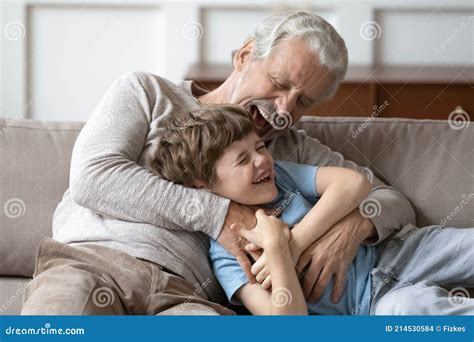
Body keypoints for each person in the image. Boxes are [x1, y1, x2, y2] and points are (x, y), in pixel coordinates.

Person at [22, 11, 415, 315]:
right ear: (245, 56)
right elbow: (95, 177)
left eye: (303, 102)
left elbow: (391, 200)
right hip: (90, 263)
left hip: (185, 297)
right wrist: (219, 213)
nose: (283, 109)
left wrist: (348, 231)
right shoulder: (147, 92)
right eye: (279, 84)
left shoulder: (290, 150)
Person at [152, 104, 474, 315]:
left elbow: (354, 184)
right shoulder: (229, 257)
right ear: (201, 183)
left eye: (260, 146)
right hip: (371, 307)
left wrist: (295, 242)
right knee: (408, 310)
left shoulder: (283, 176)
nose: (262, 160)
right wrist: (277, 250)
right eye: (242, 159)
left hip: (394, 251)